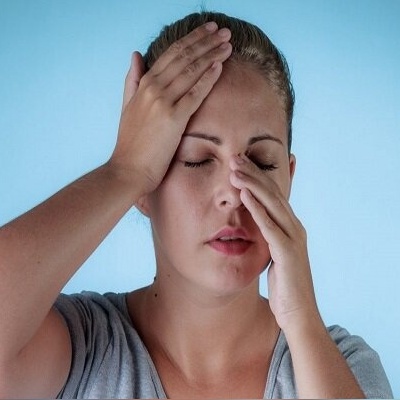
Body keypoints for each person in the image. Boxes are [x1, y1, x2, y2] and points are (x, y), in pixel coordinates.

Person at [0, 11, 393, 399]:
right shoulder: (82, 349)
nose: (234, 193)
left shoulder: (345, 366)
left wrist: (302, 318)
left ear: (288, 179)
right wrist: (124, 171)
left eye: (261, 163)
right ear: (143, 187)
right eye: (197, 160)